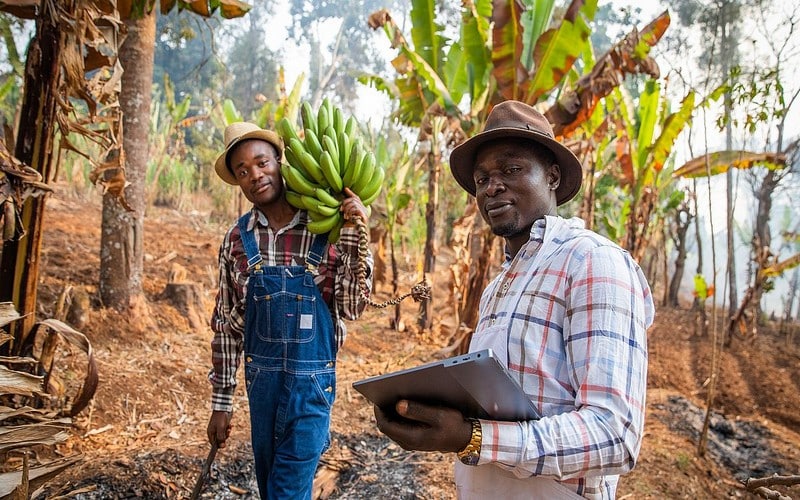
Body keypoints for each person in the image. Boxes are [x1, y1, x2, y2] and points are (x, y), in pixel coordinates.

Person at [373, 100, 655, 499]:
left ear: (553, 177)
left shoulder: (593, 261)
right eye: (482, 178)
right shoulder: (500, 282)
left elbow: (615, 435)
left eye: (511, 169)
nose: (492, 186)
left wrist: (473, 437)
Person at [206, 121, 373, 499]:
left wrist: (355, 233)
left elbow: (351, 307)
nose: (255, 175)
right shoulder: (237, 239)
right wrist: (222, 404)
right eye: (243, 171)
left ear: (280, 162)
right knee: (271, 487)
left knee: (287, 490)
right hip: (261, 387)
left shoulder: (325, 225)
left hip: (312, 386)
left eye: (262, 163)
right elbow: (227, 326)